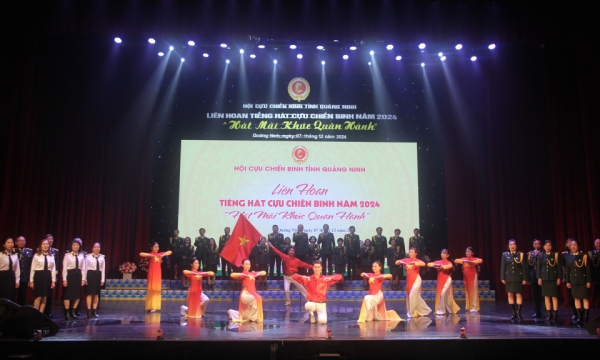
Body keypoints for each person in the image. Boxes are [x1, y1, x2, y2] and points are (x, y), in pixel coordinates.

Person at [268, 239, 312, 306]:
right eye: (290, 250)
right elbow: (277, 252)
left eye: (292, 251)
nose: (291, 252)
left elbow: (304, 265)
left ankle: (309, 300)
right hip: (286, 277)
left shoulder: (297, 260)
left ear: (294, 253)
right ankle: (288, 302)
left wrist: (313, 266)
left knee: (302, 289)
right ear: (288, 252)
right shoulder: (285, 257)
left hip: (295, 276)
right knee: (286, 290)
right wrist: (271, 245)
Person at [396, 247, 431, 318]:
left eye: (412, 252)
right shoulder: (406, 260)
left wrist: (414, 262)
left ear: (416, 253)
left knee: (412, 295)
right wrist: (399, 261)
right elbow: (396, 262)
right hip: (409, 279)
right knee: (415, 296)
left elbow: (423, 264)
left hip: (416, 279)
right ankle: (425, 310)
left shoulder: (417, 261)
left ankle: (410, 312)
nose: (410, 253)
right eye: (410, 252)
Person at [565, 239, 592, 325]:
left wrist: (588, 281)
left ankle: (586, 317)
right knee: (576, 299)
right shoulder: (568, 257)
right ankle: (579, 317)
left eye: (575, 245)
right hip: (573, 281)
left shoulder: (584, 256)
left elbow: (588, 270)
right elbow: (568, 271)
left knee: (585, 299)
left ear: (578, 246)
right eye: (571, 245)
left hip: (583, 280)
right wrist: (568, 281)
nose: (573, 247)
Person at [500, 239, 528, 320]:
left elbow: (524, 268)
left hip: (518, 277)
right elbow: (503, 267)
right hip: (509, 278)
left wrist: (524, 278)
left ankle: (519, 313)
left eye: (514, 244)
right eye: (510, 244)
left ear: (516, 246)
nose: (512, 246)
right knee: (510, 294)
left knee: (519, 294)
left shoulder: (521, 254)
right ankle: (513, 313)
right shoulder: (505, 255)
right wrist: (502, 277)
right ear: (508, 246)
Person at [140, 242, 172, 312]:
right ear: (151, 248)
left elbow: (170, 252)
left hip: (158, 274)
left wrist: (163, 255)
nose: (156, 248)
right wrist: (150, 255)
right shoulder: (151, 254)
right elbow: (141, 254)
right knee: (151, 288)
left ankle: (154, 306)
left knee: (156, 289)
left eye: (157, 247)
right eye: (155, 247)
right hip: (152, 274)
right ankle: (150, 306)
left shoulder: (159, 254)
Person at [428, 249, 459, 315]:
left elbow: (450, 266)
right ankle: (452, 309)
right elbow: (428, 264)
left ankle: (442, 310)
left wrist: (442, 267)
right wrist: (435, 265)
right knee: (445, 296)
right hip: (440, 280)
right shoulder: (438, 262)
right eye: (442, 253)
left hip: (447, 279)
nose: (442, 254)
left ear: (447, 255)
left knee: (443, 294)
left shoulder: (448, 262)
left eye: (444, 253)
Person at [536, 240, 561, 322]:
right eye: (546, 245)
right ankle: (549, 314)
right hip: (545, 278)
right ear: (543, 247)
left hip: (553, 278)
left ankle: (555, 314)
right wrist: (539, 278)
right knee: (546, 297)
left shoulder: (555, 255)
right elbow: (539, 267)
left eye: (549, 245)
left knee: (554, 296)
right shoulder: (540, 255)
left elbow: (559, 268)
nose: (548, 247)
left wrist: (559, 278)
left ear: (552, 247)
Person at [29, 239, 56, 313]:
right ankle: (35, 313)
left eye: (47, 244)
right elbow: (32, 269)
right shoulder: (36, 255)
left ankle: (41, 314)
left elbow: (53, 269)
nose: (45, 245)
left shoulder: (51, 256)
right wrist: (31, 280)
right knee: (39, 296)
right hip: (39, 276)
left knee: (45, 296)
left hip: (48, 276)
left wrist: (53, 281)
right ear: (40, 246)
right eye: (44, 244)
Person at [61, 238, 85, 319]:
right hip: (70, 275)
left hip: (78, 276)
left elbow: (83, 268)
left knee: (77, 295)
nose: (75, 246)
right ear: (71, 246)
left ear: (79, 246)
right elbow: (64, 268)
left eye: (77, 245)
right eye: (74, 245)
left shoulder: (82, 256)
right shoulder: (67, 256)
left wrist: (83, 279)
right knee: (68, 295)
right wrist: (64, 279)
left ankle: (73, 311)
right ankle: (67, 312)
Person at [454, 247, 483, 313]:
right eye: (466, 251)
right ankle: (469, 306)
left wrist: (471, 261)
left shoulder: (474, 259)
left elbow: (480, 260)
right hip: (466, 277)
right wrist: (465, 261)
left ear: (472, 253)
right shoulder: (464, 259)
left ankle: (474, 307)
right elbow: (456, 260)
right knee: (467, 291)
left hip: (473, 277)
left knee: (473, 292)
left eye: (469, 251)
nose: (467, 253)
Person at [82, 242, 105, 318]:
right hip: (90, 275)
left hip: (98, 275)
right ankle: (89, 311)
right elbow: (85, 268)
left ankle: (94, 311)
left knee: (96, 294)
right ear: (92, 248)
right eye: (95, 247)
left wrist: (102, 279)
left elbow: (103, 269)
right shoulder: (88, 257)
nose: (97, 248)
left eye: (98, 247)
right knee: (89, 294)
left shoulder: (102, 257)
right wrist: (84, 278)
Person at [560, 238, 577, 319]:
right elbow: (564, 267)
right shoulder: (564, 255)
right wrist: (564, 277)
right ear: (566, 245)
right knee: (571, 296)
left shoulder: (578, 254)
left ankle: (581, 312)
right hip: (568, 276)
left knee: (578, 295)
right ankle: (574, 312)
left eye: (572, 243)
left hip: (577, 276)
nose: (570, 245)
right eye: (569, 243)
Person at [14, 236, 32, 305]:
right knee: (12, 293)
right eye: (19, 241)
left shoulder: (29, 251)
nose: (21, 242)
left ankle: (21, 309)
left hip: (24, 276)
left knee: (22, 294)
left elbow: (31, 265)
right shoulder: (13, 251)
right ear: (16, 242)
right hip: (14, 276)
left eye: (23, 241)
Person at [44, 234, 59, 318]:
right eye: (48, 239)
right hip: (42, 274)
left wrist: (56, 276)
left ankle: (48, 311)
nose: (50, 241)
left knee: (49, 294)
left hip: (51, 274)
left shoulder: (55, 251)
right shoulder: (39, 250)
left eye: (52, 239)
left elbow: (56, 265)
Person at [527, 239, 543, 318]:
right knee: (535, 296)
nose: (537, 245)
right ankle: (537, 312)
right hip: (533, 276)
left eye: (538, 244)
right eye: (535, 244)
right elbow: (529, 265)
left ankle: (548, 312)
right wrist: (534, 255)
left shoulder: (543, 253)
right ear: (533, 245)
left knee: (544, 295)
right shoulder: (530, 254)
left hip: (543, 277)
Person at [588, 238, 600, 309]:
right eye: (597, 243)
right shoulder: (591, 253)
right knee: (598, 293)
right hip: (596, 277)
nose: (598, 244)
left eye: (599, 242)